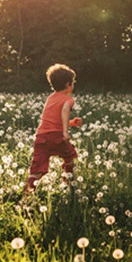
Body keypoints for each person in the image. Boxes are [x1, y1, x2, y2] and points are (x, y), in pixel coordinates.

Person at [23, 63, 82, 194]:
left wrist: (71, 123)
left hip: (41, 138)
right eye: (73, 82)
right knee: (69, 157)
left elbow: (53, 119)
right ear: (68, 84)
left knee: (37, 168)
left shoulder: (50, 98)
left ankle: (28, 191)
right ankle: (68, 182)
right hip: (57, 137)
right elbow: (65, 110)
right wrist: (66, 132)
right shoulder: (68, 100)